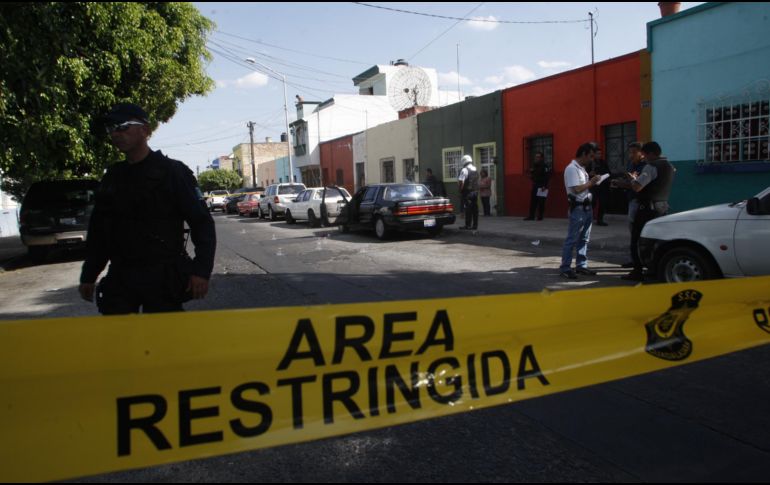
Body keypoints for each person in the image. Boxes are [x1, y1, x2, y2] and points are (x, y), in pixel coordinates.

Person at [78, 103, 216, 314]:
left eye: (123, 126)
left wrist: (201, 271)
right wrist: (89, 275)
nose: (116, 133)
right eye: (111, 129)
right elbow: (100, 232)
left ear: (145, 130)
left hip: (163, 276)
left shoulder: (173, 172)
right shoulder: (113, 177)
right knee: (121, 341)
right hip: (122, 276)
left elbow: (201, 223)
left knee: (166, 342)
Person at [620, 141, 675, 281]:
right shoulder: (669, 166)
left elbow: (638, 187)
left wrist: (633, 179)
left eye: (645, 154)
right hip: (662, 207)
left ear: (651, 153)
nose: (644, 158)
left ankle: (637, 271)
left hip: (647, 209)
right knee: (656, 240)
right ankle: (653, 269)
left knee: (637, 240)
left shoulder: (651, 167)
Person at [559, 143, 602, 279]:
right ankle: (565, 268)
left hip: (586, 208)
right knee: (572, 239)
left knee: (584, 239)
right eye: (590, 156)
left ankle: (581, 266)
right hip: (578, 209)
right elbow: (577, 189)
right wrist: (592, 182)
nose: (591, 159)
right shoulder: (572, 169)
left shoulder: (581, 169)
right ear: (583, 154)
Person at [612, 142, 646, 268]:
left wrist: (625, 183)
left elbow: (638, 185)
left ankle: (640, 261)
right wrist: (621, 182)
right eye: (630, 152)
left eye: (633, 152)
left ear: (641, 153)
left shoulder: (646, 166)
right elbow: (630, 181)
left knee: (638, 232)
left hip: (640, 201)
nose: (631, 155)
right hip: (631, 200)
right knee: (633, 232)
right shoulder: (632, 164)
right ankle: (635, 258)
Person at [524, 152, 551, 221]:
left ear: (542, 158)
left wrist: (545, 186)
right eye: (536, 157)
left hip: (542, 186)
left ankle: (540, 216)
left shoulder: (545, 166)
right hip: (535, 185)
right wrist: (531, 176)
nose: (536, 158)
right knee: (533, 201)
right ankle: (531, 216)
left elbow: (547, 177)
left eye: (538, 157)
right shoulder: (534, 165)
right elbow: (533, 174)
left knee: (541, 202)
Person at [589, 147, 610, 226]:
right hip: (593, 186)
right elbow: (585, 173)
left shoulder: (603, 162)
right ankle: (589, 219)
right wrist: (589, 174)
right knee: (592, 203)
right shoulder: (590, 163)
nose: (599, 155)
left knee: (603, 203)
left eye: (600, 154)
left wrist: (604, 176)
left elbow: (608, 172)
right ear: (594, 154)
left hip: (603, 186)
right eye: (598, 154)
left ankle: (600, 219)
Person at [457, 154, 479, 230]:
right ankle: (475, 225)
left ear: (464, 161)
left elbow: (461, 182)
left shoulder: (464, 170)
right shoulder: (475, 169)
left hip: (467, 193)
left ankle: (468, 225)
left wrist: (460, 190)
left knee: (468, 209)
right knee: (475, 209)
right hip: (475, 192)